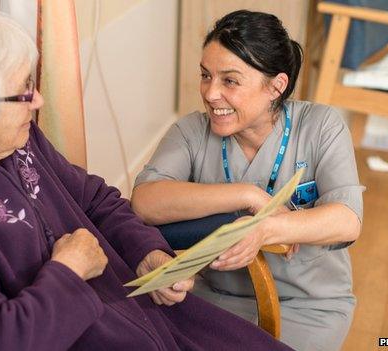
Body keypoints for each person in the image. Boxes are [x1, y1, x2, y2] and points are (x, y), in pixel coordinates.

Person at [0, 10, 293, 351]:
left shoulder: (16, 140)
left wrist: (147, 252)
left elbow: (96, 200)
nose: (37, 101)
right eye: (23, 92)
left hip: (153, 315)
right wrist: (69, 272)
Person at [131, 10, 364, 351]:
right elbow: (145, 202)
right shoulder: (191, 132)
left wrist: (265, 229)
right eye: (205, 75)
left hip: (307, 306)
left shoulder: (320, 126)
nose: (210, 94)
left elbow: (347, 220)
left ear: (276, 86)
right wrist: (248, 195)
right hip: (213, 300)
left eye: (229, 81)